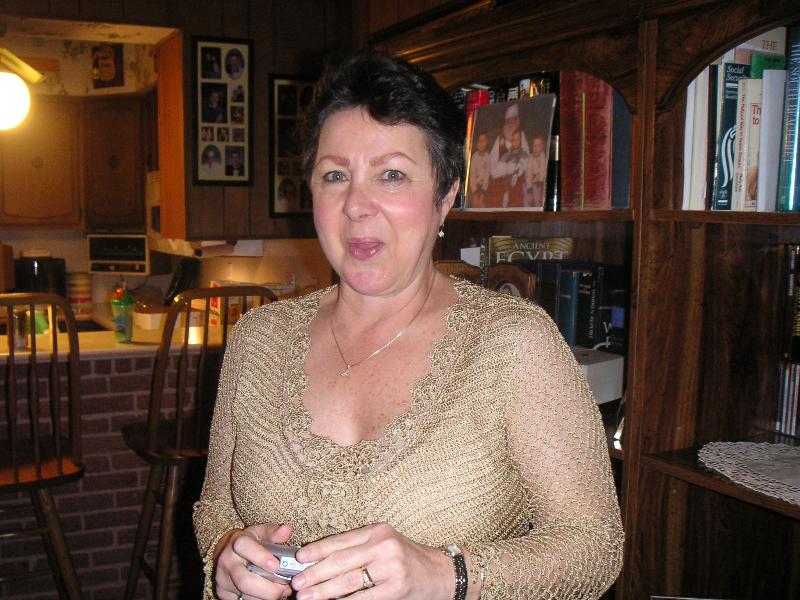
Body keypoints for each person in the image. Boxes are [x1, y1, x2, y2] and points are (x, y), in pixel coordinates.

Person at [194, 49, 623, 600]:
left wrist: (447, 575)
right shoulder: (257, 339)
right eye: (335, 176)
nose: (356, 205)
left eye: (392, 175)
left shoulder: (513, 343)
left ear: (445, 196)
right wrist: (225, 555)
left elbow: (594, 546)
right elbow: (216, 508)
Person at [488, 103, 530, 207]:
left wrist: (516, 168)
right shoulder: (500, 138)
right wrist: (504, 168)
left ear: (517, 120)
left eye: (513, 120)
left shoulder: (521, 135)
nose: (511, 123)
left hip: (516, 183)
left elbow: (526, 159)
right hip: (499, 182)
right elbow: (492, 162)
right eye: (508, 120)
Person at [468, 132, 490, 208]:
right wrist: (475, 193)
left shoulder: (488, 157)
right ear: (476, 143)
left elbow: (487, 176)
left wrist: (482, 194)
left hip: (484, 187)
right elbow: (472, 176)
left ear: (487, 142)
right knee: (475, 203)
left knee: (482, 204)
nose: (481, 143)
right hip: (474, 187)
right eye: (479, 141)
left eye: (483, 141)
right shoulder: (474, 157)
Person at [525, 133, 547, 208]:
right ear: (532, 147)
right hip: (530, 182)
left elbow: (543, 171)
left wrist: (540, 187)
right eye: (534, 146)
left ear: (542, 147)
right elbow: (528, 174)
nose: (536, 149)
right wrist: (529, 190)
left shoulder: (543, 156)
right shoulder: (530, 158)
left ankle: (538, 206)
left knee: (539, 198)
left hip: (540, 182)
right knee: (528, 196)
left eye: (538, 146)